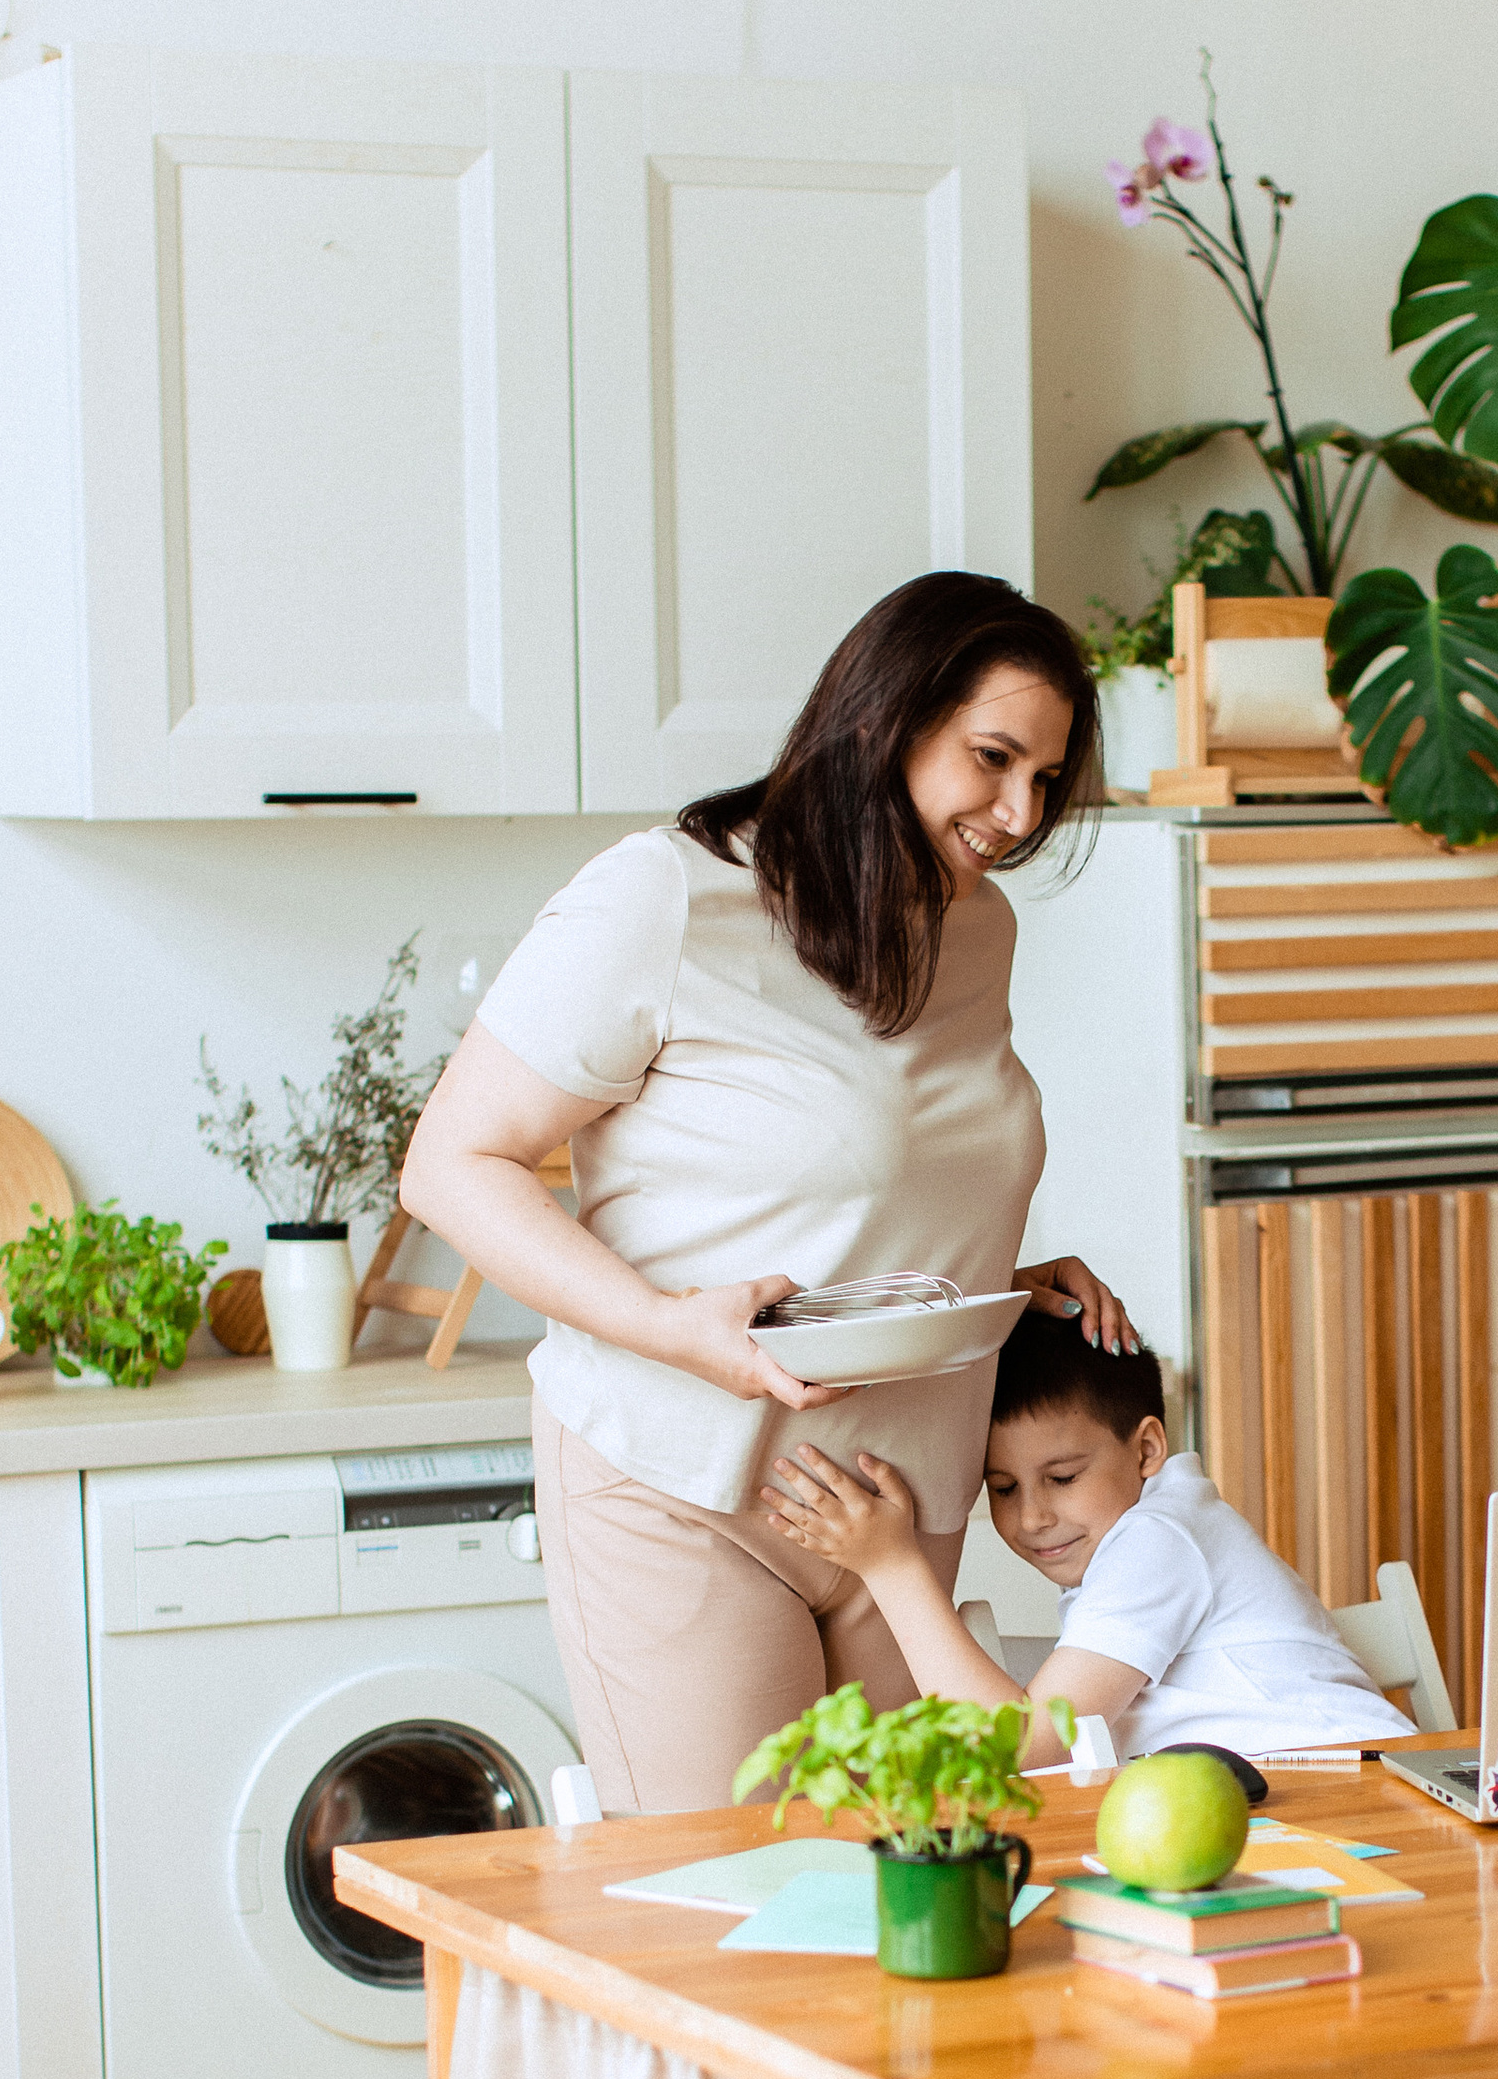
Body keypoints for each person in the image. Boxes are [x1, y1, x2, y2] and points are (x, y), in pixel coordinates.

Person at [398, 570, 1140, 1816]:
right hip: (684, 1486)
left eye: (1047, 780)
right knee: (728, 1918)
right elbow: (450, 1167)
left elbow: (881, 1171)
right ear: (885, 718)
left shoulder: (976, 928)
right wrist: (669, 1329)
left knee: (900, 1926)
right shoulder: (670, 896)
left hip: (901, 1509)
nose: (1020, 812)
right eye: (994, 759)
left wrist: (1006, 1282)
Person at [762, 1303, 1393, 1764]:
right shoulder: (1160, 1532)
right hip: (1282, 1792)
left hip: (1344, 1780)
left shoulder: (1160, 1537)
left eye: (1062, 1477)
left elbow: (1029, 1745)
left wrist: (892, 1567)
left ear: (1147, 1450)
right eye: (1003, 1488)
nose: (1032, 1517)